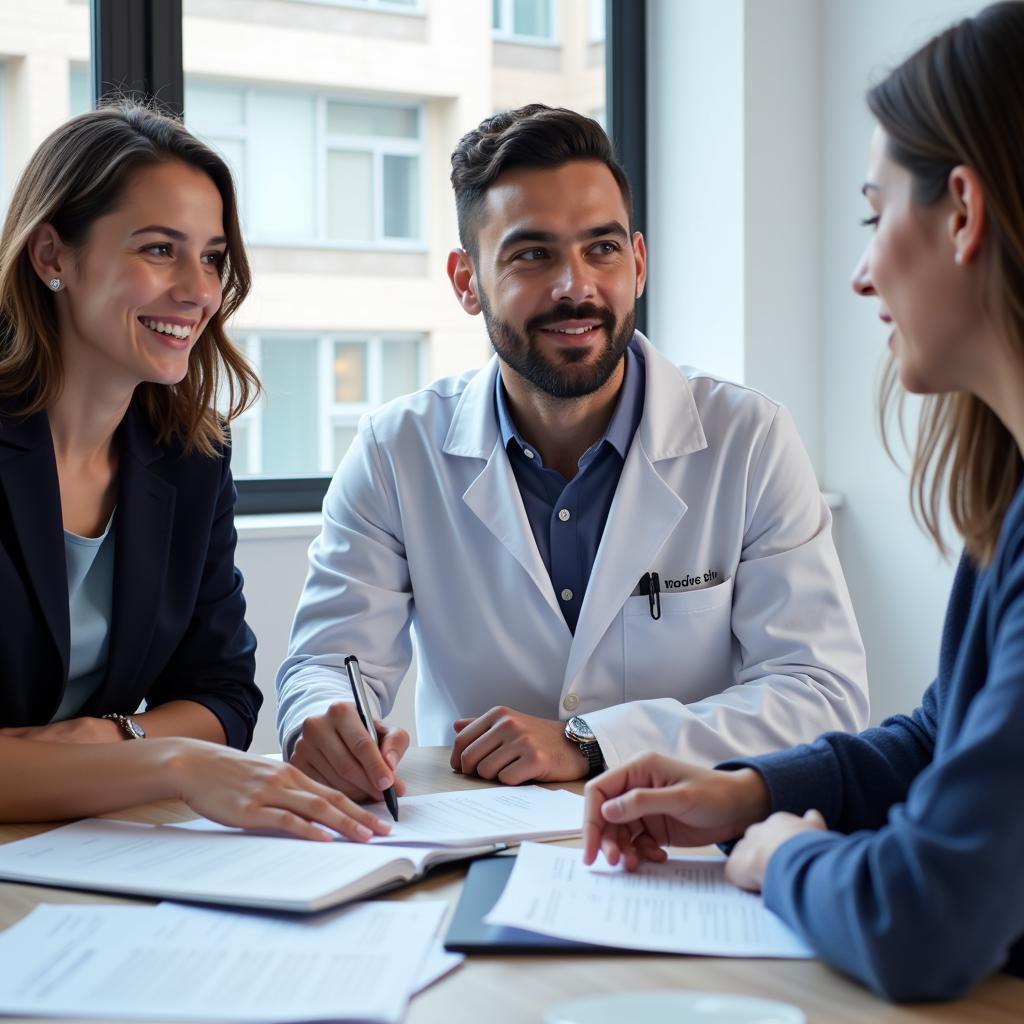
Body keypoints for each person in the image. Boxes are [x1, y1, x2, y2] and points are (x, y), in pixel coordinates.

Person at [581, 2, 1024, 1002]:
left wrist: (778, 855)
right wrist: (749, 792)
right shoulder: (1008, 509)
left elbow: (925, 913)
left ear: (962, 211)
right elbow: (944, 737)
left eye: (875, 216)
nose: (863, 275)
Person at [277, 104, 868, 803]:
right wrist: (323, 720)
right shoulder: (393, 451)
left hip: (687, 843)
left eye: (602, 249)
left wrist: (593, 741)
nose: (575, 286)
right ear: (467, 282)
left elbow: (822, 695)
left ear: (639, 263)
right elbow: (325, 663)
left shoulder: (750, 439)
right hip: (475, 844)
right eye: (533, 254)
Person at [0, 101, 389, 843]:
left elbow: (223, 694)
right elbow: (195, 739)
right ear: (52, 257)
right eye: (158, 250)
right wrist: (167, 761)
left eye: (211, 257)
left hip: (85, 848)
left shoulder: (189, 457)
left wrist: (111, 739)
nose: (199, 290)